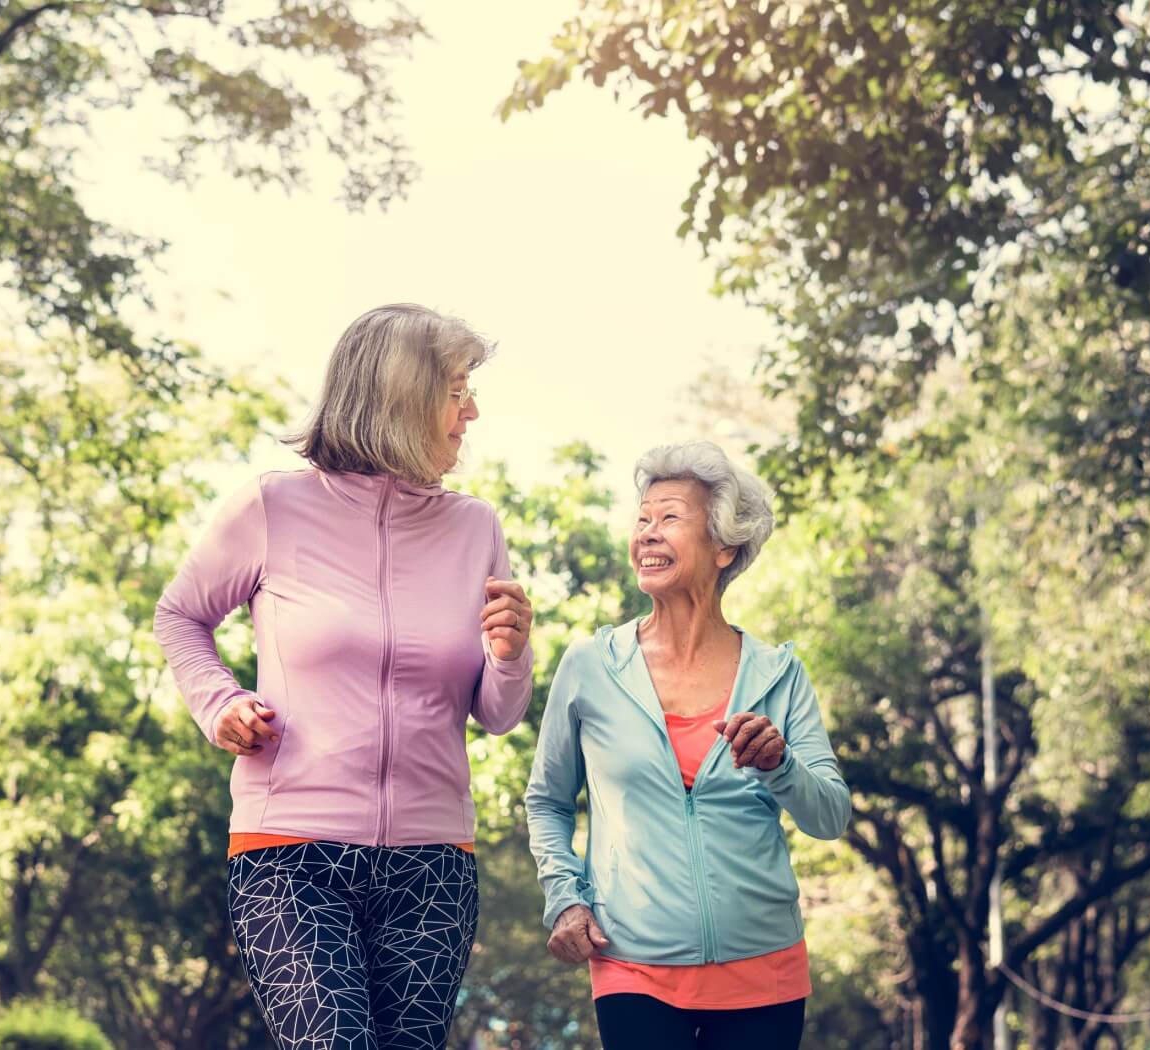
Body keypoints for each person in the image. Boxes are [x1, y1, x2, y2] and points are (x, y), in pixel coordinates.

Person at [153, 303, 535, 1050]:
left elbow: (496, 713)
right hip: (291, 853)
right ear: (401, 394)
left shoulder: (475, 528)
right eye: (457, 391)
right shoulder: (274, 506)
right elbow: (180, 617)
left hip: (432, 866)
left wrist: (511, 653)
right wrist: (220, 703)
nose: (473, 411)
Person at [525, 440, 849, 1049]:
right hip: (632, 964)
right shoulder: (592, 666)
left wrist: (781, 765)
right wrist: (565, 897)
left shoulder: (778, 674)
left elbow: (830, 815)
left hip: (766, 969)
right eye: (641, 519)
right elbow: (547, 799)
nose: (647, 533)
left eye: (669, 518)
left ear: (724, 546)